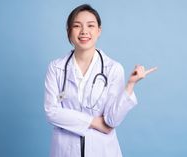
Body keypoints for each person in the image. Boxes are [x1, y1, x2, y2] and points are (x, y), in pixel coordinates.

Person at [44, 4, 157, 157]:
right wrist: (94, 122)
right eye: (77, 26)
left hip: (102, 151)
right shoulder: (56, 68)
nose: (84, 31)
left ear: (99, 31)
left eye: (90, 25)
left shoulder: (113, 69)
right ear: (69, 32)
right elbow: (51, 112)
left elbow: (111, 121)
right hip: (65, 150)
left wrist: (130, 85)